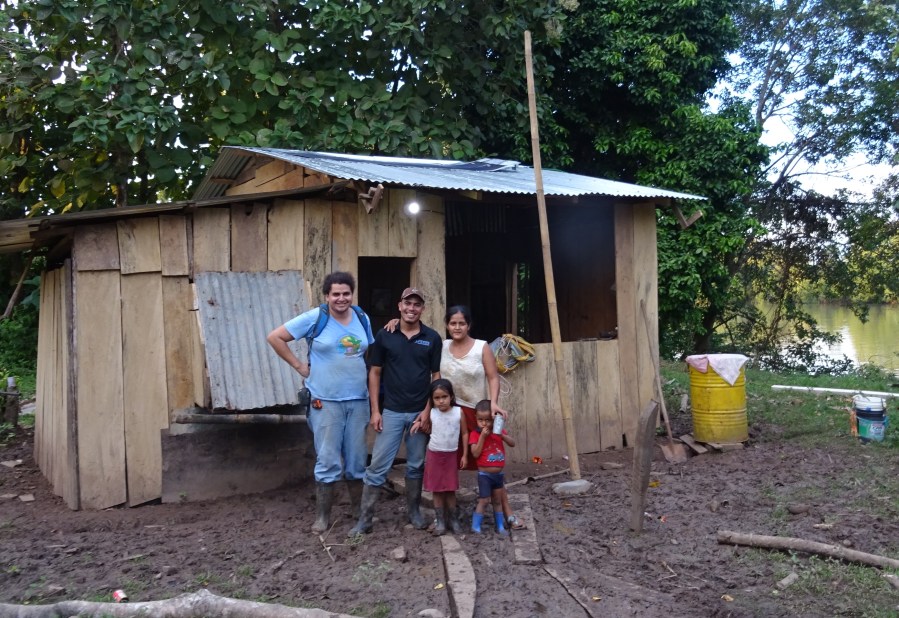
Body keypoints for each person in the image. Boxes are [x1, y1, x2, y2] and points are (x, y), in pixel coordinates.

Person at [266, 272, 374, 534]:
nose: (341, 298)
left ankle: (358, 512)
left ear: (352, 294)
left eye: (346, 293)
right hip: (325, 401)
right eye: (335, 294)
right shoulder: (316, 317)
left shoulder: (362, 317)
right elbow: (275, 337)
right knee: (327, 459)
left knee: (358, 459)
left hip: (359, 400)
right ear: (327, 296)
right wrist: (300, 366)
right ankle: (322, 516)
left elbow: (368, 351)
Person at [349, 287, 443, 535]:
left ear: (423, 309)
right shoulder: (385, 335)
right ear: (399, 306)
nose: (412, 308)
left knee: (415, 465)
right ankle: (365, 519)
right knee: (378, 466)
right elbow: (375, 372)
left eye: (417, 304)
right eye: (407, 303)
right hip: (390, 411)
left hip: (418, 413)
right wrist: (375, 410)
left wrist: (427, 410)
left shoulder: (431, 338)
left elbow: (436, 377)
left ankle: (413, 512)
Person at [415, 378, 466, 535]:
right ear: (432, 400)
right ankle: (441, 522)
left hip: (451, 455)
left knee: (450, 489)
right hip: (434, 455)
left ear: (451, 396)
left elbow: (465, 433)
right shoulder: (432, 413)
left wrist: (465, 455)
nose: (441, 401)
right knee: (436, 489)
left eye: (444, 397)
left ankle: (453, 519)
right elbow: (425, 425)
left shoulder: (458, 413)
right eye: (436, 398)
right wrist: (418, 423)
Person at [469, 399, 516, 535]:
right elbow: (475, 453)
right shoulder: (475, 434)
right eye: (480, 420)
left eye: (488, 420)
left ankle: (500, 526)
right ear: (476, 419)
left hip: (498, 475)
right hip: (484, 475)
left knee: (497, 501)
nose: (484, 423)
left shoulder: (498, 432)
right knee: (484, 500)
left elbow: (512, 443)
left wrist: (502, 435)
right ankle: (476, 526)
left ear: (494, 419)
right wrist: (482, 437)